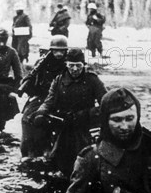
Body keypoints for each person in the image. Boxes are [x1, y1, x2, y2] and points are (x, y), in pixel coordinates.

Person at [34, 48, 107, 176]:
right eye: (71, 65)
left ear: (84, 65)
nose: (74, 69)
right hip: (64, 124)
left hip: (85, 125)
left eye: (78, 65)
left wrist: (85, 114)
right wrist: (41, 113)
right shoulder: (59, 80)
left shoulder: (92, 80)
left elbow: (106, 104)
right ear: (66, 65)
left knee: (84, 155)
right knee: (56, 157)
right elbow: (49, 101)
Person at [19, 35, 68, 158]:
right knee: (27, 118)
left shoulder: (68, 65)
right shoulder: (42, 64)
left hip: (60, 99)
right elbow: (31, 83)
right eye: (55, 50)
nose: (58, 54)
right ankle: (28, 153)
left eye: (61, 51)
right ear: (51, 50)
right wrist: (28, 84)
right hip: (40, 97)